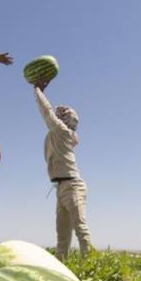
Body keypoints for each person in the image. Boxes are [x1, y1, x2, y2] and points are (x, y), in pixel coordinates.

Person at [33, 78, 91, 259]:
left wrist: (37, 90)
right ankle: (61, 267)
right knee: (62, 235)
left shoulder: (62, 132)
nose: (57, 115)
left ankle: (93, 266)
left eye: (60, 115)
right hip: (62, 187)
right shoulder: (58, 134)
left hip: (73, 186)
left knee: (80, 228)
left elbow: (46, 111)